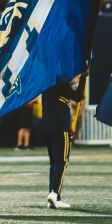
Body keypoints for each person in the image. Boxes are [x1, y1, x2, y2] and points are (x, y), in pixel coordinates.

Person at [41, 74, 84, 209]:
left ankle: (53, 196)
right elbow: (78, 97)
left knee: (54, 163)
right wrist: (84, 78)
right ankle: (55, 193)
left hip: (47, 127)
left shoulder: (46, 84)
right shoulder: (60, 83)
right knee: (62, 162)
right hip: (59, 127)